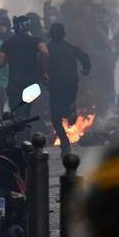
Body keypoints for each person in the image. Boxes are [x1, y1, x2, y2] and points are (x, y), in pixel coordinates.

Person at [46, 23, 92, 154]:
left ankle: (65, 143)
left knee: (55, 117)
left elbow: (40, 64)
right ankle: (70, 109)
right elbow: (85, 57)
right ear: (63, 34)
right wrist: (86, 69)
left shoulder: (47, 49)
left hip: (55, 86)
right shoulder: (71, 48)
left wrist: (43, 77)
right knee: (67, 108)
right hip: (71, 85)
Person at [0, 15, 50, 112]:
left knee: (17, 113)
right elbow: (45, 52)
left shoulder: (8, 43)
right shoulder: (36, 41)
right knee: (33, 111)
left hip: (15, 85)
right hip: (32, 83)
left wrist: (10, 56)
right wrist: (45, 71)